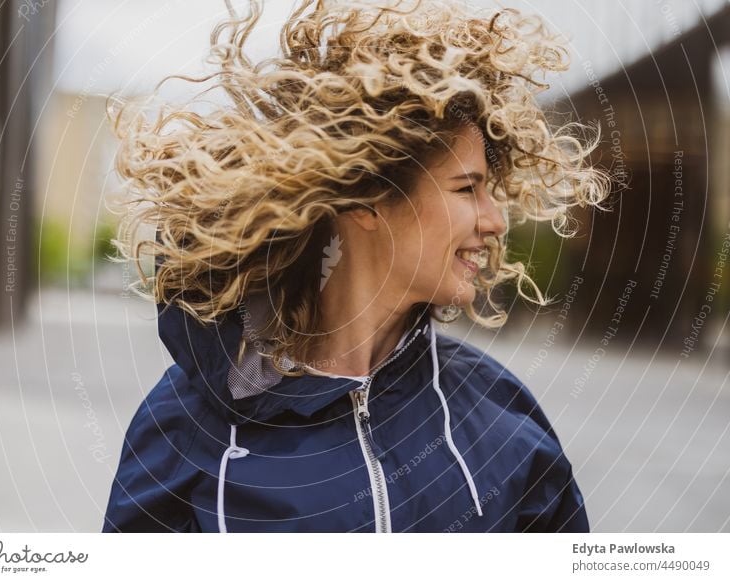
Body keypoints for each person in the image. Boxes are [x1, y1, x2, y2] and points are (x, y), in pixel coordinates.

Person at [101, 0, 611, 533]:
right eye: (467, 189)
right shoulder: (186, 429)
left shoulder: (503, 418)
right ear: (366, 201)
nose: (494, 221)